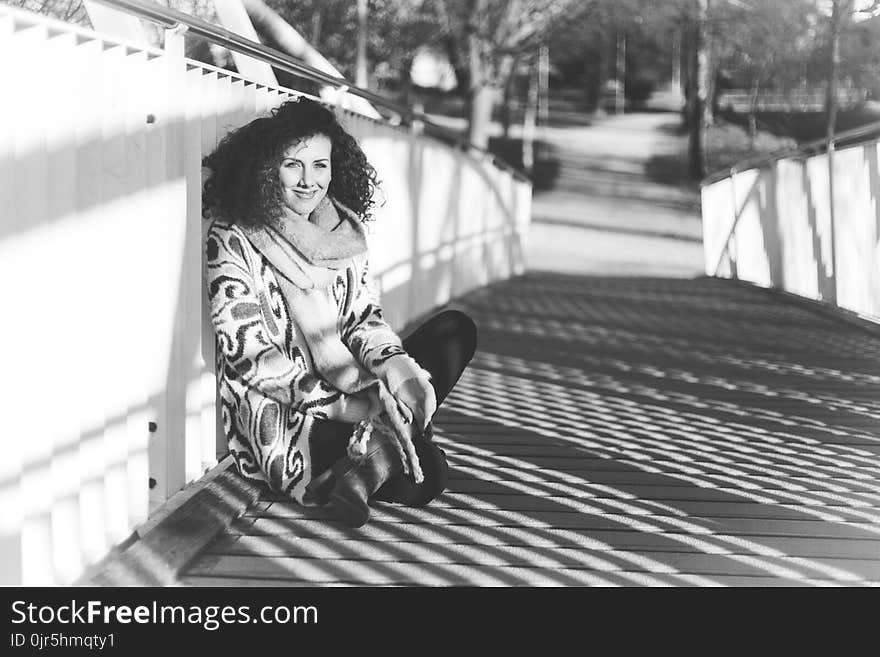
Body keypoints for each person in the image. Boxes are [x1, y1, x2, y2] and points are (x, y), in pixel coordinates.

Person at [202, 97, 476, 527]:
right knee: (431, 474)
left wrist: (399, 374)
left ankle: (372, 456)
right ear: (267, 168)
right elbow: (251, 357)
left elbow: (363, 319)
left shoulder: (343, 234)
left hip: (356, 390)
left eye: (320, 166)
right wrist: (351, 408)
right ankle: (376, 452)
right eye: (294, 165)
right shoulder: (235, 235)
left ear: (335, 168)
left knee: (455, 330)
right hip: (293, 418)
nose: (308, 181)